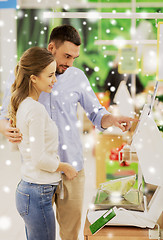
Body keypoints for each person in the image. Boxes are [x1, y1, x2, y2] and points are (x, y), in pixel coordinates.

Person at [0, 25, 136, 240]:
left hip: (72, 169)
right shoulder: (24, 75)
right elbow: (4, 114)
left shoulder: (77, 77)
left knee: (70, 234)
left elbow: (96, 113)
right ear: (51, 47)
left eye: (74, 57)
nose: (70, 62)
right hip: (40, 174)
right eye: (66, 56)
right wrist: (6, 128)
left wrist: (112, 119)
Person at [7, 46, 78, 240]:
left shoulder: (23, 105)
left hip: (30, 191)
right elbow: (39, 159)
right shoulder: (35, 110)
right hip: (38, 192)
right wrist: (65, 167)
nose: (55, 80)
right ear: (33, 78)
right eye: (50, 75)